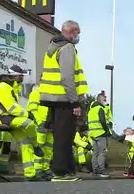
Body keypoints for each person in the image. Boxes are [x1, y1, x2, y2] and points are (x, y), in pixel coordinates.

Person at [39, 20, 89, 182]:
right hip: (65, 99)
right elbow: (67, 77)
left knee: (63, 136)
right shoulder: (67, 48)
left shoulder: (54, 47)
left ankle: (68, 171)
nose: (79, 36)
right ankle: (60, 172)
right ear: (72, 31)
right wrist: (75, 102)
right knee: (64, 138)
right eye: (78, 32)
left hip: (54, 99)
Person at [0, 65, 44, 181]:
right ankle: (36, 146)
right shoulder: (3, 87)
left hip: (8, 118)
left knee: (25, 141)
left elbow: (13, 109)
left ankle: (30, 174)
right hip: (1, 118)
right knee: (29, 124)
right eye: (21, 75)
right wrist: (28, 114)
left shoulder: (10, 87)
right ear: (15, 76)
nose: (22, 77)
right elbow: (11, 108)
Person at [88, 91, 124, 177]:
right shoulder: (100, 109)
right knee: (102, 152)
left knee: (95, 153)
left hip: (93, 134)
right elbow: (103, 121)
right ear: (100, 100)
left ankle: (95, 170)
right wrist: (106, 130)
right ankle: (101, 170)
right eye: (104, 99)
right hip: (100, 133)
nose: (105, 101)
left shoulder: (91, 110)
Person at [27, 82, 54, 181]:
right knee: (40, 146)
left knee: (49, 147)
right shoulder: (36, 93)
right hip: (41, 123)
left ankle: (45, 169)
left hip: (49, 124)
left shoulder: (48, 95)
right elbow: (32, 109)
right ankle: (37, 169)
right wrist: (39, 122)